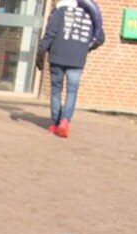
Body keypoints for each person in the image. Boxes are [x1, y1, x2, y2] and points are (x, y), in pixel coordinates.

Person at [36, 0, 104, 138]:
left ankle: (56, 124)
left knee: (56, 90)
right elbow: (99, 38)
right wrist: (85, 49)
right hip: (77, 59)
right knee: (72, 91)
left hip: (57, 57)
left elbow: (50, 34)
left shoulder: (59, 11)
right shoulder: (91, 15)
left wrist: (40, 53)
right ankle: (65, 121)